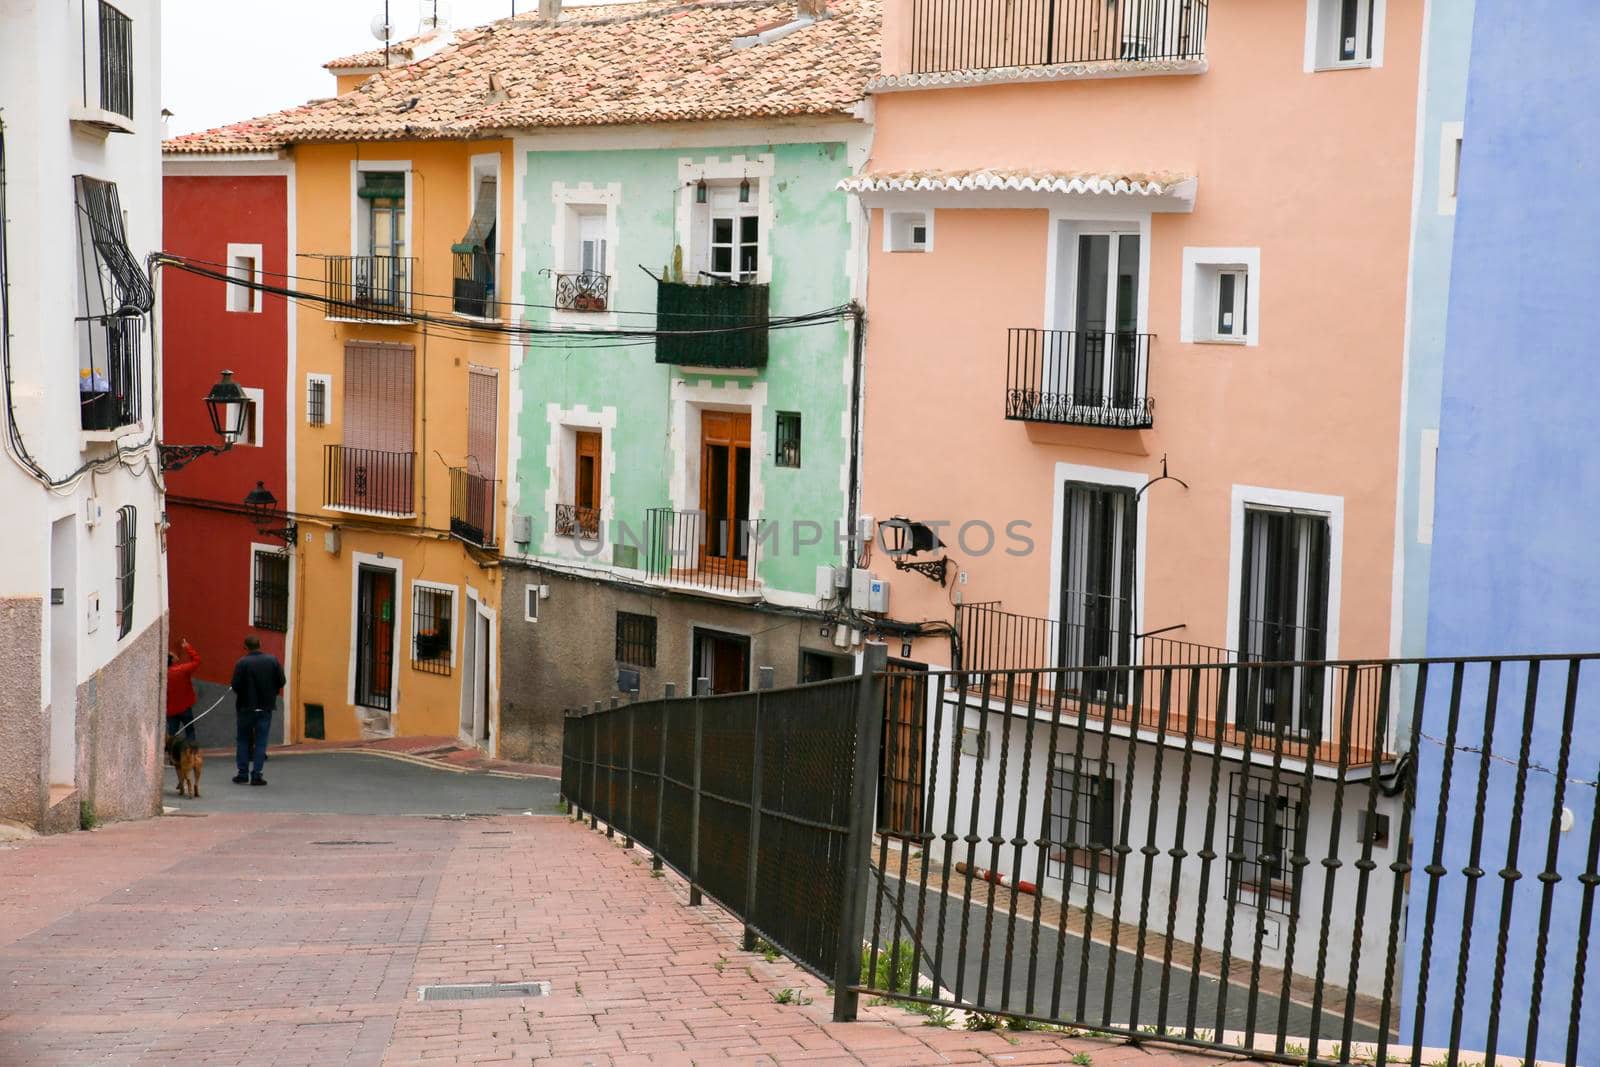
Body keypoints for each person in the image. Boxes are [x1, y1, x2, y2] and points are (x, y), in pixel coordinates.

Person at [230, 634, 285, 787]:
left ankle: (242, 773)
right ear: (260, 644)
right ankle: (257, 775)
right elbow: (282, 681)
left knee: (242, 739)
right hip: (265, 706)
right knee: (261, 741)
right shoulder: (272, 660)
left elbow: (235, 685)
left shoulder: (242, 663)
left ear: (245, 647)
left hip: (245, 707)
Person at [166, 638, 201, 742]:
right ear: (172, 660)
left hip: (171, 709)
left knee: (172, 734)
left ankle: (173, 757)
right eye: (172, 655)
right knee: (190, 730)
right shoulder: (182, 670)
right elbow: (197, 660)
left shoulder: (164, 674)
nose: (175, 654)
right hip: (185, 707)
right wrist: (187, 647)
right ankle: (191, 754)